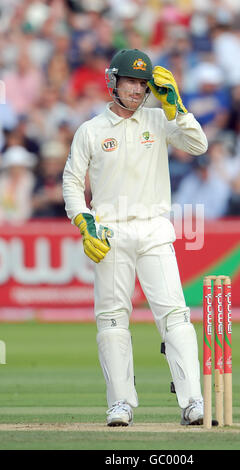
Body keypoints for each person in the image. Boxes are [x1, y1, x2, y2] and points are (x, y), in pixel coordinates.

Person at [62, 48, 208, 427]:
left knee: (174, 315)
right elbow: (73, 183)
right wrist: (84, 221)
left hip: (154, 227)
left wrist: (177, 107)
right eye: (129, 81)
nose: (136, 89)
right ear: (113, 82)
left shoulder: (159, 120)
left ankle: (192, 400)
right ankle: (120, 404)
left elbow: (198, 145)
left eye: (143, 84)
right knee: (111, 320)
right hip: (110, 232)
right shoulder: (91, 131)